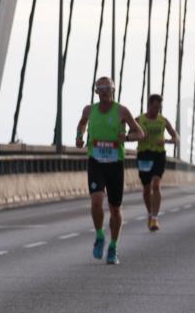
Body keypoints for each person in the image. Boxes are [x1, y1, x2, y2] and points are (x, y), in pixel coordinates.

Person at [75, 76, 145, 265]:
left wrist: (127, 138)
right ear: (96, 91)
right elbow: (82, 123)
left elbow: (140, 133)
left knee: (115, 208)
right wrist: (79, 136)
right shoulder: (89, 110)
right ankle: (99, 235)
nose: (105, 91)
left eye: (108, 88)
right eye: (101, 88)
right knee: (96, 201)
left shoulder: (121, 111)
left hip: (115, 163)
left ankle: (113, 247)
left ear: (113, 90)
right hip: (96, 161)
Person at [136, 94, 179, 231]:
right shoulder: (140, 120)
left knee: (156, 184)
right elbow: (130, 132)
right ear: (149, 106)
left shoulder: (163, 121)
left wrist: (167, 141)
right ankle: (150, 213)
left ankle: (155, 218)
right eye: (155, 107)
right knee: (146, 188)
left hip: (159, 154)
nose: (157, 110)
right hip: (144, 154)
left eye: (159, 108)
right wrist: (138, 135)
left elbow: (176, 137)